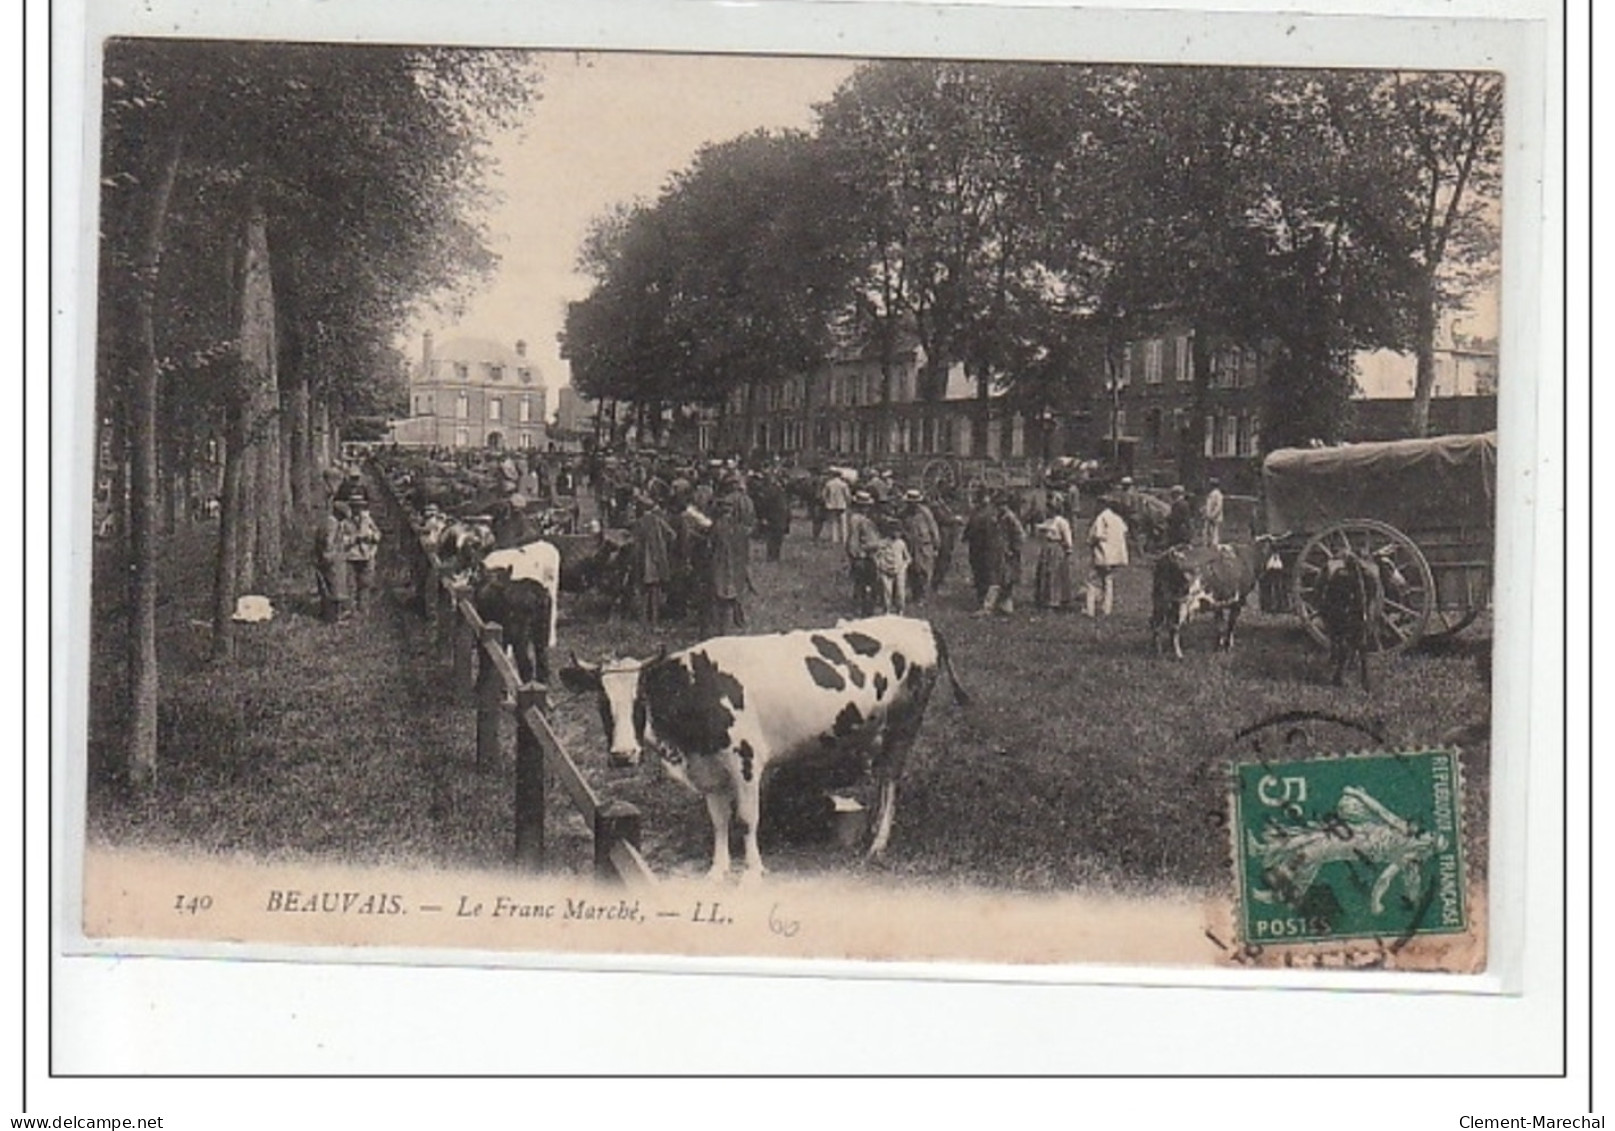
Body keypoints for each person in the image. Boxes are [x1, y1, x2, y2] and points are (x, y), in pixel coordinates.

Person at [703, 496, 752, 636]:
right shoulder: (739, 527)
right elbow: (744, 548)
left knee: (720, 596)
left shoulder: (716, 526)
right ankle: (736, 619)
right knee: (735, 592)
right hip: (736, 565)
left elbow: (710, 547)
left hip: (720, 564)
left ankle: (721, 627)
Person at [630, 496, 676, 626]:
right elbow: (672, 535)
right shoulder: (658, 520)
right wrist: (665, 548)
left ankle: (644, 619)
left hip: (643, 561)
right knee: (655, 592)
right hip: (656, 561)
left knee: (644, 591)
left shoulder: (639, 523)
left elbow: (635, 543)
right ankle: (655, 621)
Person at [1086, 495, 1129, 617]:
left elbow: (1096, 535)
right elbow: (1125, 531)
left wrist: (1090, 542)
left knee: (1092, 581)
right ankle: (1106, 609)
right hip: (1115, 556)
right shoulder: (1117, 518)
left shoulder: (1101, 518)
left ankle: (1090, 610)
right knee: (1108, 581)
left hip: (1102, 554)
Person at [314, 499, 353, 623]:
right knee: (332, 587)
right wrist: (331, 556)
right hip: (331, 561)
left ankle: (333, 614)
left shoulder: (333, 523)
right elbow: (328, 543)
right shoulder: (331, 524)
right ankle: (332, 617)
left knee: (335, 586)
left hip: (334, 559)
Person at [962, 492, 1003, 609]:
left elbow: (991, 532)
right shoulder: (977, 513)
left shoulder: (990, 514)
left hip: (986, 548)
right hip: (977, 548)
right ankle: (981, 598)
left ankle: (986, 601)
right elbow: (970, 527)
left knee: (986, 573)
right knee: (979, 572)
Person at [845, 490, 882, 615]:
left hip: (864, 553)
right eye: (864, 506)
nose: (867, 508)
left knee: (863, 582)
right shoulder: (859, 520)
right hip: (864, 555)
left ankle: (861, 605)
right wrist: (858, 554)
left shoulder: (859, 519)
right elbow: (854, 539)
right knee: (866, 582)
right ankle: (863, 607)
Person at [900, 489, 939, 604]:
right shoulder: (904, 514)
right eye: (910, 502)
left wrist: (936, 545)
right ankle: (915, 594)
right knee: (913, 571)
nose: (912, 505)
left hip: (924, 546)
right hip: (911, 546)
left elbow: (933, 529)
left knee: (925, 571)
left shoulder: (925, 513)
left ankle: (924, 596)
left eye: (915, 502)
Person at [1033, 505, 1075, 610]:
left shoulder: (1062, 521)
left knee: (1055, 574)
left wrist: (1068, 549)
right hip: (1047, 549)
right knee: (1044, 573)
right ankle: (1043, 598)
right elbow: (1040, 528)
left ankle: (1056, 600)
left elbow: (1067, 537)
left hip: (1057, 548)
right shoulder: (1048, 521)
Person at [990, 493, 1026, 615]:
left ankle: (1004, 604)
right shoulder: (1000, 517)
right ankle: (1003, 604)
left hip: (1009, 552)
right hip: (1001, 551)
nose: (999, 508)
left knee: (1007, 577)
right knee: (1002, 577)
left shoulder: (1010, 517)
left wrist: (1014, 549)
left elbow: (1020, 534)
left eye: (1001, 505)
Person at [346, 494, 382, 612]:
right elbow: (341, 540)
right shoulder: (345, 522)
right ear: (351, 507)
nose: (357, 509)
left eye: (359, 507)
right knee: (351, 583)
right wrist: (354, 538)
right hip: (351, 555)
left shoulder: (367, 520)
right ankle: (351, 609)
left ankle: (363, 608)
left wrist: (371, 537)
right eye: (354, 507)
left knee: (366, 583)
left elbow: (378, 534)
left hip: (367, 554)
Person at [872, 521, 912, 614]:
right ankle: (887, 610)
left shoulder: (901, 543)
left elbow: (908, 558)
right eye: (894, 531)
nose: (897, 534)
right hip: (885, 569)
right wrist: (879, 565)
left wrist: (904, 567)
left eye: (899, 532)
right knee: (887, 591)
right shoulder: (883, 543)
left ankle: (900, 610)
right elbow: (876, 556)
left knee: (900, 591)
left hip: (899, 569)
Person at [821, 471, 851, 544]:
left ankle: (835, 538)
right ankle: (845, 538)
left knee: (834, 522)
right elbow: (847, 495)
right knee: (843, 523)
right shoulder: (843, 484)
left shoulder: (829, 484)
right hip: (842, 505)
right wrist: (848, 503)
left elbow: (824, 495)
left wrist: (826, 502)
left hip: (831, 505)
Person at [1166, 484, 1196, 548]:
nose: (1172, 495)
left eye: (1173, 493)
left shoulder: (1180, 504)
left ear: (1177, 494)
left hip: (1179, 531)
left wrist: (1169, 518)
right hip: (1180, 530)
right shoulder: (1182, 503)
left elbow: (1177, 518)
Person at [1202, 477, 1225, 547]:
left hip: (1215, 518)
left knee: (1215, 533)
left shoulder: (1218, 494)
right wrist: (1205, 510)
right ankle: (1208, 545)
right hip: (1209, 516)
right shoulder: (1211, 494)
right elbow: (1210, 505)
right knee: (1208, 532)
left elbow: (1219, 506)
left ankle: (1214, 546)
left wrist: (1212, 515)